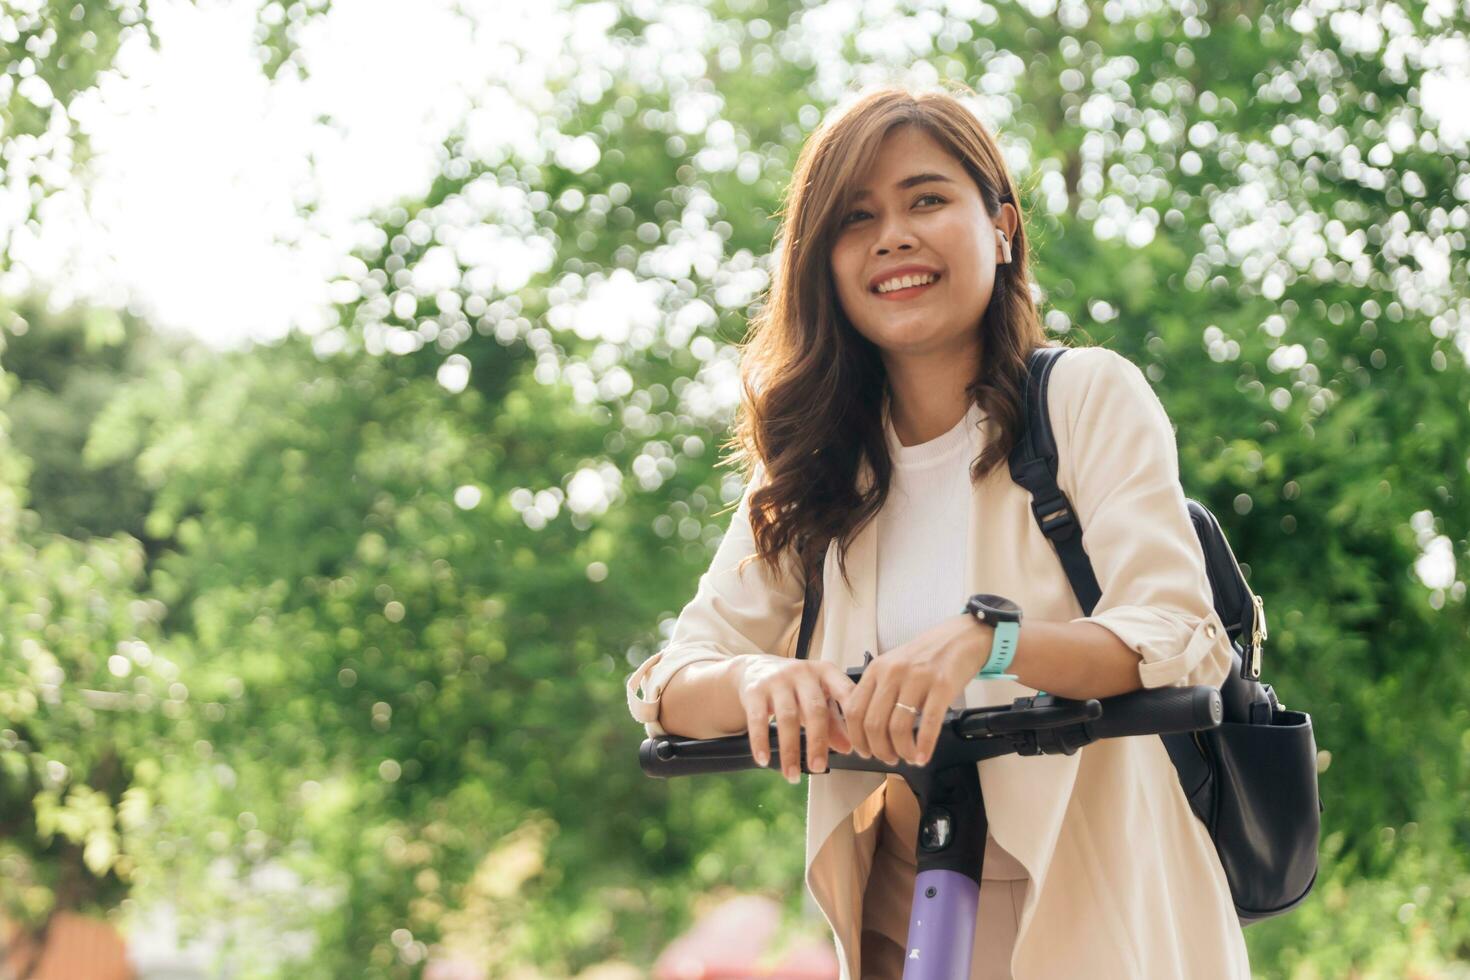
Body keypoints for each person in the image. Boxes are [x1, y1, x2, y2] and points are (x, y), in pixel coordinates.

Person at [626, 83, 1250, 979]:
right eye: (855, 218)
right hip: (905, 888)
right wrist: (759, 677)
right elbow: (674, 680)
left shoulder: (1083, 398)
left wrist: (990, 647)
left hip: (1099, 883)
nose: (893, 236)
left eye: (927, 199)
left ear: (1000, 227)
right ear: (823, 264)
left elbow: (1173, 634)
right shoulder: (817, 461)